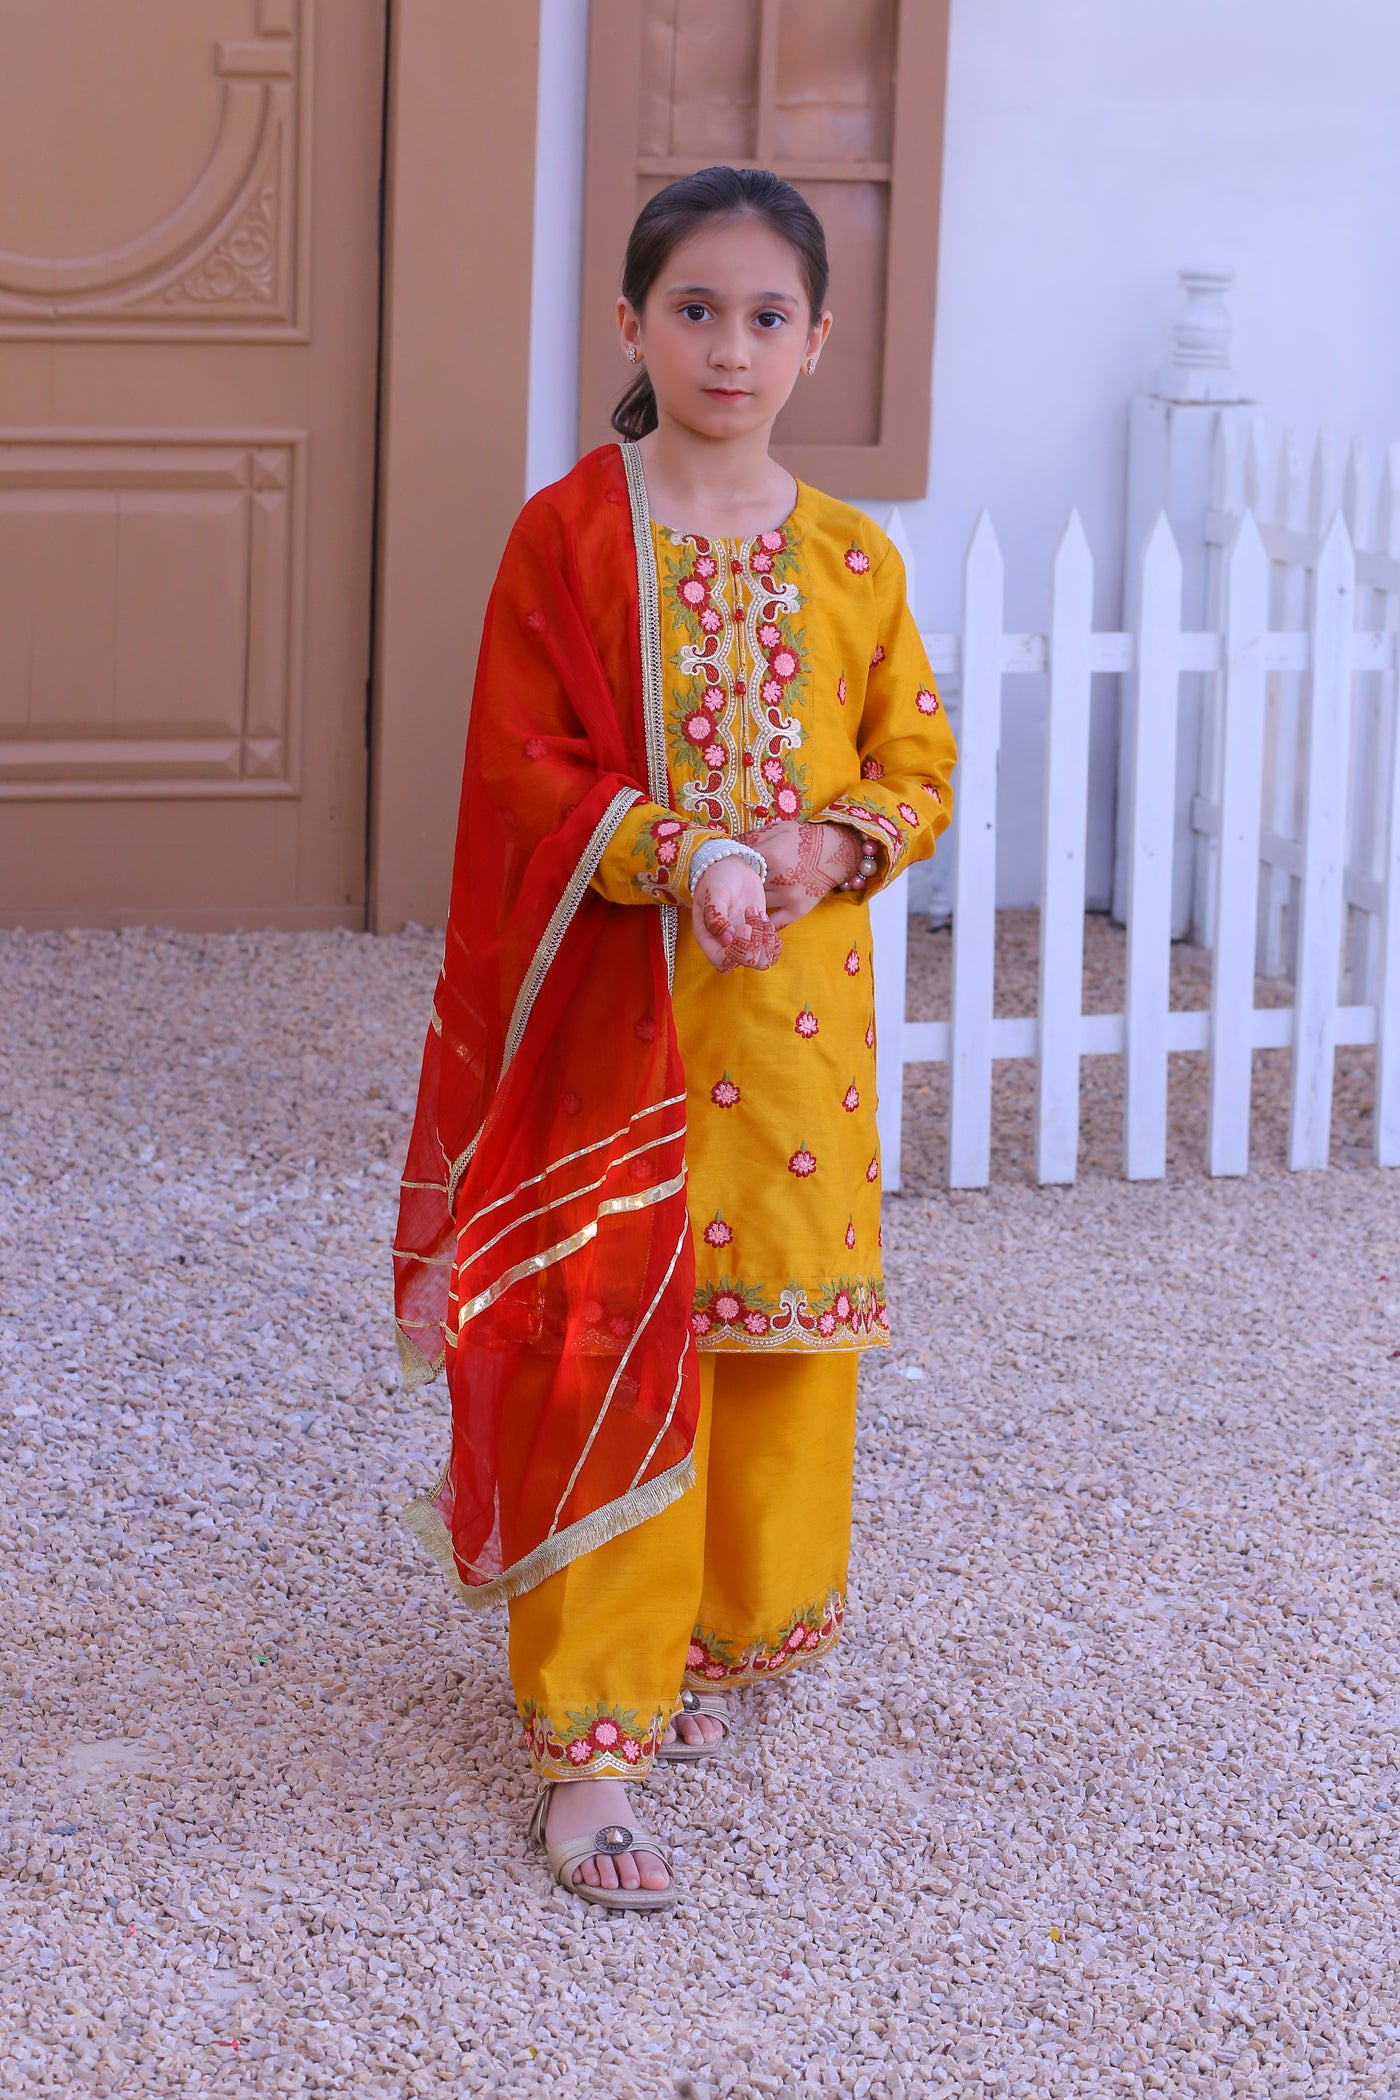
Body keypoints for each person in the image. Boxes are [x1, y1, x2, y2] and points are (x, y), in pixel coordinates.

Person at [393, 166, 956, 1911]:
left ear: (819, 343)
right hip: (613, 1023)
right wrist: (684, 848)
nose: (731, 344)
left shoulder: (856, 556)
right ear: (630, 325)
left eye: (768, 315)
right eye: (694, 309)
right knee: (601, 1341)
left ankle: (717, 1639)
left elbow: (916, 771)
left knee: (769, 1345)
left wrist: (823, 843)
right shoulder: (570, 535)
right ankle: (591, 1745)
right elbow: (520, 769)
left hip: (791, 1037)